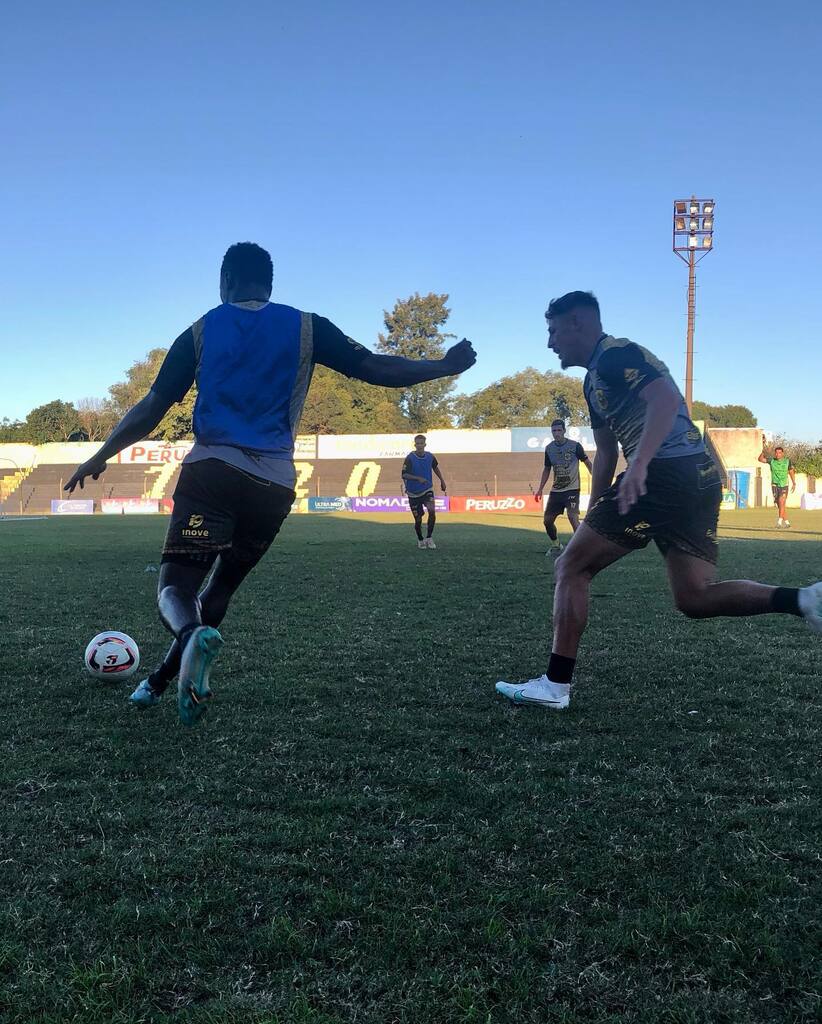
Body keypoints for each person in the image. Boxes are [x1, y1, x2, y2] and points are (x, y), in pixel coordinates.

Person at [66, 242, 476, 725]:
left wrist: (100, 454)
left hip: (213, 473)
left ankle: (184, 638)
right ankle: (157, 683)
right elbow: (374, 367)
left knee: (175, 589)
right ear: (271, 284)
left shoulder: (200, 330)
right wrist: (443, 367)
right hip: (274, 483)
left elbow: (153, 406)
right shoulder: (306, 326)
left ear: (224, 281)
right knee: (219, 592)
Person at [495, 290, 822, 710]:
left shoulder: (616, 355)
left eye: (553, 331)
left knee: (571, 566)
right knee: (695, 597)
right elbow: (607, 452)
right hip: (697, 476)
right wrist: (599, 503)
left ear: (578, 323)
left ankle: (555, 687)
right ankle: (805, 600)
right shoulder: (593, 378)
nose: (550, 342)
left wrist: (642, 465)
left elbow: (665, 401)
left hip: (665, 474)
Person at [535, 419, 593, 556]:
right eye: (554, 431)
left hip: (572, 489)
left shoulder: (575, 446)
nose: (556, 433)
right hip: (556, 490)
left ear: (564, 431)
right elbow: (547, 469)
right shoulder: (549, 449)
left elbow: (587, 462)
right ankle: (556, 545)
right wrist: (540, 488)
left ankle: (583, 549)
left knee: (573, 517)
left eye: (559, 430)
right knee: (547, 521)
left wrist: (596, 478)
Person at [402, 434, 446, 548]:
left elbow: (435, 467)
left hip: (427, 489)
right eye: (417, 444)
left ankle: (429, 538)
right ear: (415, 444)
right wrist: (417, 478)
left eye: (421, 443)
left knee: (432, 511)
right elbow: (404, 474)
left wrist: (442, 480)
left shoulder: (430, 456)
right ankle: (420, 539)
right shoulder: (410, 458)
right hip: (413, 493)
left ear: (425, 444)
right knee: (418, 519)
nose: (419, 446)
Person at [758, 440, 796, 528]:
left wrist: (794, 482)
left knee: (782, 501)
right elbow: (760, 459)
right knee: (780, 505)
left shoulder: (787, 461)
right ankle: (786, 522)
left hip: (784, 484)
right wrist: (763, 451)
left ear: (783, 453)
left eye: (779, 453)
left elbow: (791, 471)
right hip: (775, 485)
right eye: (776, 453)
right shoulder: (772, 461)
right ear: (775, 454)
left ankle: (779, 521)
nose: (778, 454)